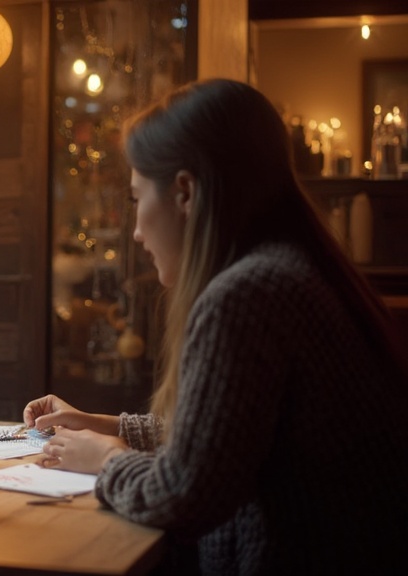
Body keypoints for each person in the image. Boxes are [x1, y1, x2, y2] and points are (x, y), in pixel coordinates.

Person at [23, 79, 408, 575]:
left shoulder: (247, 295)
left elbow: (185, 493)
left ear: (184, 192)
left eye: (138, 199)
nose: (137, 231)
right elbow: (230, 438)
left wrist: (108, 460)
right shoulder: (291, 269)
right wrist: (110, 427)